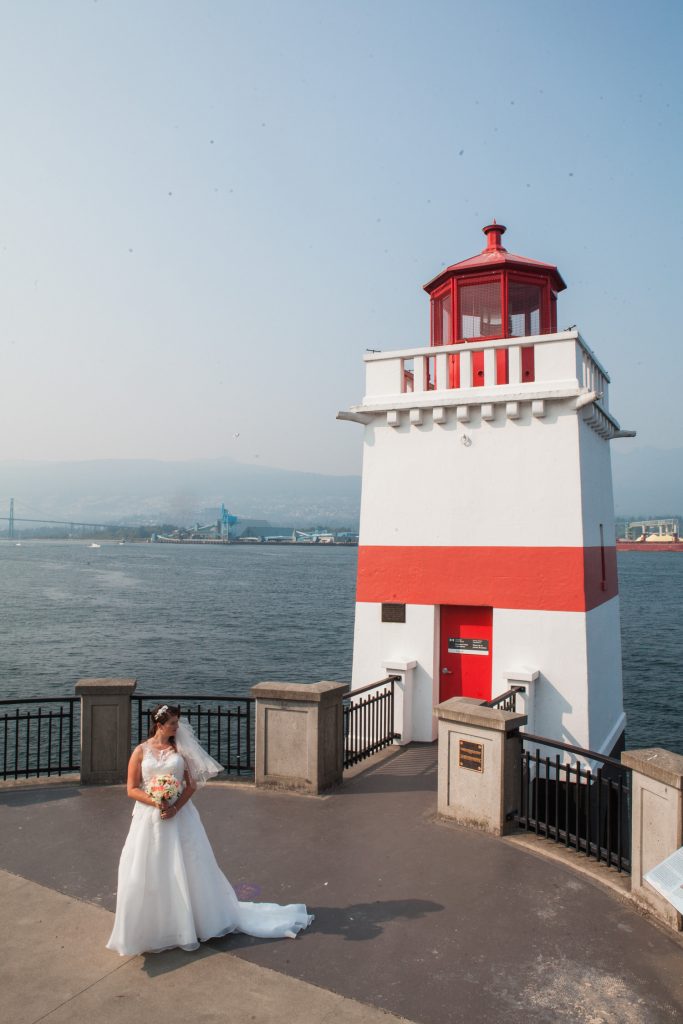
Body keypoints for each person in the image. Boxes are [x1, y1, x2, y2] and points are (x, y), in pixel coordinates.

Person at [107, 703, 313, 955]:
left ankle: (192, 923)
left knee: (187, 868)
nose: (177, 727)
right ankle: (153, 927)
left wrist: (174, 807)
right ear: (159, 725)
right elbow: (132, 788)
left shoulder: (179, 750)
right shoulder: (140, 751)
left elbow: (191, 785)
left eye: (177, 722)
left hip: (179, 816)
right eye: (172, 723)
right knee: (148, 869)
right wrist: (157, 801)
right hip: (148, 819)